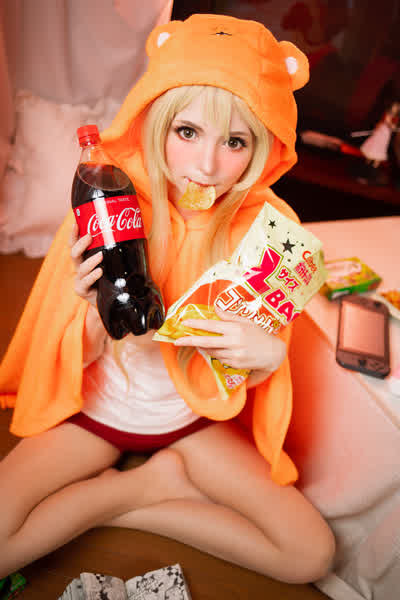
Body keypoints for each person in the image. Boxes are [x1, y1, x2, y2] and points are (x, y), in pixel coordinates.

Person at [0, 14, 335, 582]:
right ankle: (147, 486)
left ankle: (127, 497)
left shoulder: (270, 232)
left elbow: (240, 377)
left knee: (309, 554)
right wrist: (91, 311)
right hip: (94, 415)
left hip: (192, 422)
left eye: (234, 142)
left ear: (263, 148)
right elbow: (64, 354)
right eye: (187, 132)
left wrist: (269, 356)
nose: (206, 165)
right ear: (154, 122)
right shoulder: (109, 202)